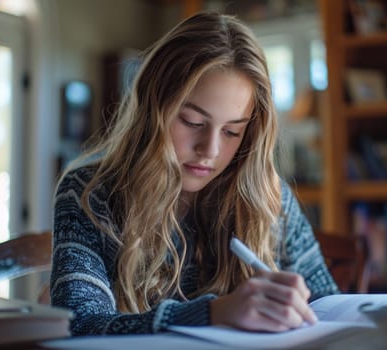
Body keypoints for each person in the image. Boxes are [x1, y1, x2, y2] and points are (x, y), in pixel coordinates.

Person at [51, 12, 339, 336]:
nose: (210, 150)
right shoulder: (88, 194)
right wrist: (214, 313)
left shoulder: (270, 197)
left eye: (232, 131)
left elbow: (328, 305)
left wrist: (300, 306)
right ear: (153, 109)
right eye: (192, 122)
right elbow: (80, 325)